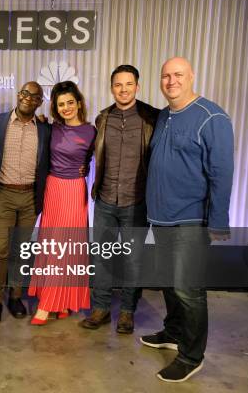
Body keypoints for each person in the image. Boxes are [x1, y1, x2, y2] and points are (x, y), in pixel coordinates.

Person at [141, 57, 234, 382]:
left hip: (191, 219)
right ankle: (174, 331)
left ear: (192, 76)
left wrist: (218, 222)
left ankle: (192, 356)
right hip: (162, 218)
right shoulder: (165, 115)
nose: (171, 81)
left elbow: (222, 173)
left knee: (188, 289)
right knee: (169, 282)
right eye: (166, 75)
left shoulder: (212, 117)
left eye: (178, 74)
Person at [81, 65, 159, 334]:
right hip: (104, 200)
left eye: (129, 84)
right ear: (111, 87)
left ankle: (127, 312)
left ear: (137, 86)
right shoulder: (103, 118)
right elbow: (89, 149)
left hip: (137, 201)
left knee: (132, 260)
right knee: (102, 257)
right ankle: (100, 308)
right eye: (118, 84)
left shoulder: (153, 118)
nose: (123, 89)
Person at [29, 81, 96, 324]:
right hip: (53, 190)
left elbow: (93, 159)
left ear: (78, 103)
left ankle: (49, 304)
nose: (66, 107)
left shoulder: (92, 131)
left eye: (70, 102)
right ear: (56, 108)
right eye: (61, 104)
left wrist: (85, 167)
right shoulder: (51, 128)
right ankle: (62, 302)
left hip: (74, 191)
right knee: (51, 246)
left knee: (66, 247)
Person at [0, 81, 51, 324]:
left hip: (30, 197)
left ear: (39, 102)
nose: (28, 98)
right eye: (25, 93)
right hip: (2, 195)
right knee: (0, 250)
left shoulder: (45, 129)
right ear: (18, 94)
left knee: (21, 252)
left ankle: (16, 296)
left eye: (34, 96)